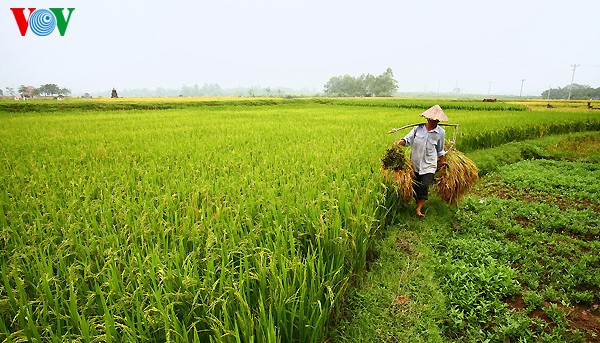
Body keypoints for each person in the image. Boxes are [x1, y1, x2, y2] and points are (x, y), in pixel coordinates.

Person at [394, 105, 449, 217]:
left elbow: (440, 149)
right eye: (433, 119)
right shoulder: (417, 129)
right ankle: (417, 202)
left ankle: (418, 209)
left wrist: (442, 161)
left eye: (437, 120)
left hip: (429, 164)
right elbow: (407, 139)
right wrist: (400, 142)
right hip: (415, 163)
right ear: (428, 118)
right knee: (415, 186)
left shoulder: (441, 133)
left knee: (424, 185)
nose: (435, 121)